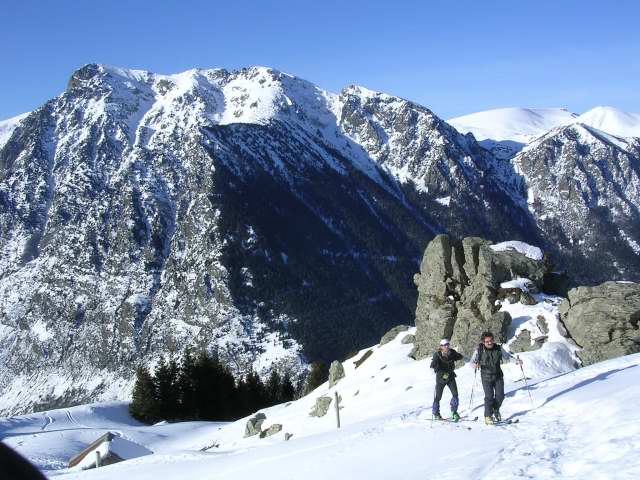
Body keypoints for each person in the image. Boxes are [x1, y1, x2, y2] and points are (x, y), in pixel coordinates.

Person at [471, 331, 523, 425]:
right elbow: (471, 362)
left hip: (498, 375)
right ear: (483, 342)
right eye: (487, 341)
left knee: (500, 396)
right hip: (486, 377)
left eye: (491, 340)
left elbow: (507, 357)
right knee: (489, 397)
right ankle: (488, 416)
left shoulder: (498, 348)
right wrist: (475, 365)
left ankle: (495, 409)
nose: (490, 343)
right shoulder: (479, 350)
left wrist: (516, 361)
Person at [430, 338, 464, 422]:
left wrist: (460, 357)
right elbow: (433, 364)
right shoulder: (437, 355)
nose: (447, 346)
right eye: (444, 345)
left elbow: (459, 356)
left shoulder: (452, 352)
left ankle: (454, 412)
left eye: (448, 344)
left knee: (455, 394)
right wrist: (434, 366)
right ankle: (436, 413)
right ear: (441, 346)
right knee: (438, 397)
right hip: (440, 378)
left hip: (450, 376)